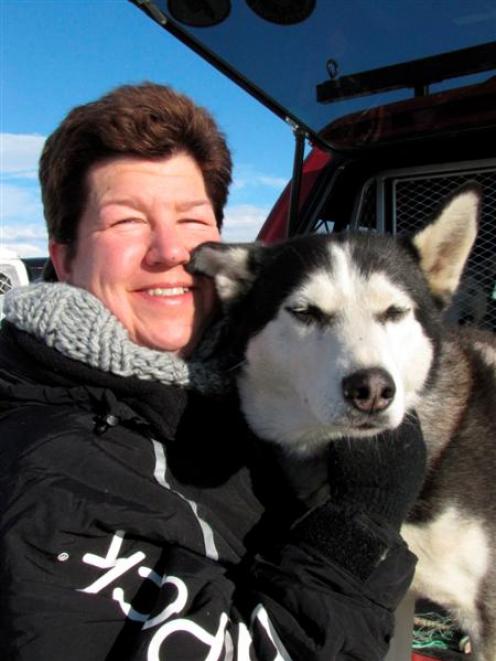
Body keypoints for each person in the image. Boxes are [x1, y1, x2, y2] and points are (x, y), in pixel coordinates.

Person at [0, 82, 426, 660]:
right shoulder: (49, 473)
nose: (169, 250)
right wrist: (358, 524)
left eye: (192, 219)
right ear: (65, 258)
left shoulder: (241, 377)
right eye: (126, 222)